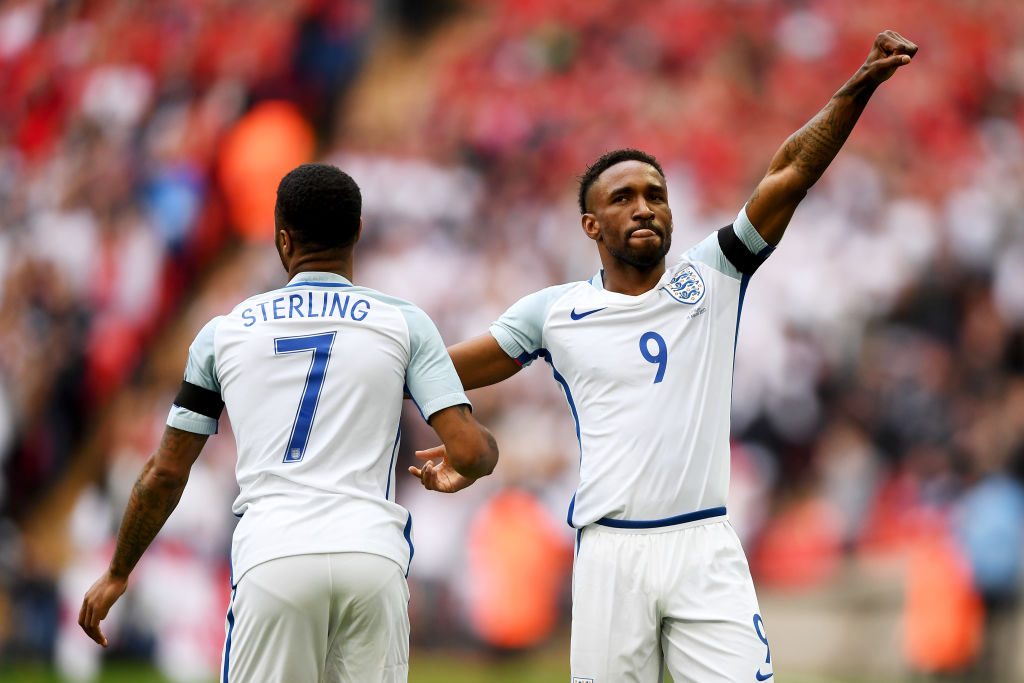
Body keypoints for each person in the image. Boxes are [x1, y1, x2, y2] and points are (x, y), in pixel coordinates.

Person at [412, 30, 918, 682]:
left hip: (703, 543)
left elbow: (789, 171)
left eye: (655, 193)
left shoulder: (710, 278)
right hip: (611, 553)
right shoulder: (553, 312)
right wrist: (457, 439)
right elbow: (440, 369)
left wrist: (858, 86)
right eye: (622, 198)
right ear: (591, 226)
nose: (645, 206)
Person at [78, 163, 499, 683]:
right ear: (358, 232)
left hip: (274, 555)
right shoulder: (404, 322)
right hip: (370, 555)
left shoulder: (223, 334)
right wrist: (475, 460)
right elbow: (472, 452)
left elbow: (165, 474)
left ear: (282, 239)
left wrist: (119, 571)